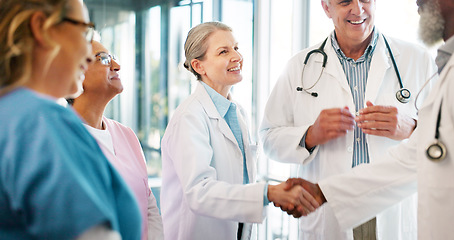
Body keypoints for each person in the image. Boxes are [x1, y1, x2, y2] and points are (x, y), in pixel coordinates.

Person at [260, 0, 437, 239]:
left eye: (365, 0)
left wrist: (413, 127)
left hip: (391, 205)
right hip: (330, 206)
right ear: (326, 7)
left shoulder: (417, 59)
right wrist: (310, 135)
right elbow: (269, 138)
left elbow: (445, 135)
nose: (358, 9)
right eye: (345, 2)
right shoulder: (299, 67)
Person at [160, 21, 319, 240]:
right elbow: (199, 192)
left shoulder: (237, 113)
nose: (237, 57)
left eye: (236, 48)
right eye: (223, 51)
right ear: (199, 66)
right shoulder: (189, 117)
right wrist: (268, 192)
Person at [0, 0, 141, 239]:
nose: (88, 54)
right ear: (42, 28)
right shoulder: (39, 120)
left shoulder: (11, 114)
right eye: (84, 32)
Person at [70, 40, 164, 240]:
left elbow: (149, 206)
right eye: (103, 59)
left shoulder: (127, 135)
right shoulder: (64, 139)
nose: (116, 66)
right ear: (76, 73)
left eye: (114, 58)